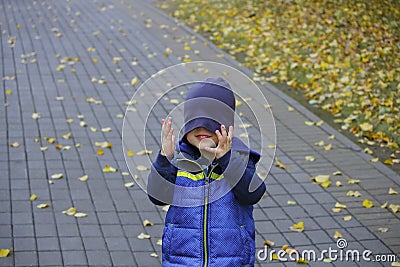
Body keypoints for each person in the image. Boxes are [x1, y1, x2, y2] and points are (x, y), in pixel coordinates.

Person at [147, 77, 266, 266]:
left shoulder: (240, 157)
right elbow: (157, 196)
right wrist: (165, 157)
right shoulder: (178, 159)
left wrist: (227, 160)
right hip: (181, 259)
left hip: (231, 260)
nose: (202, 127)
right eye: (194, 119)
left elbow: (252, 194)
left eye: (211, 120)